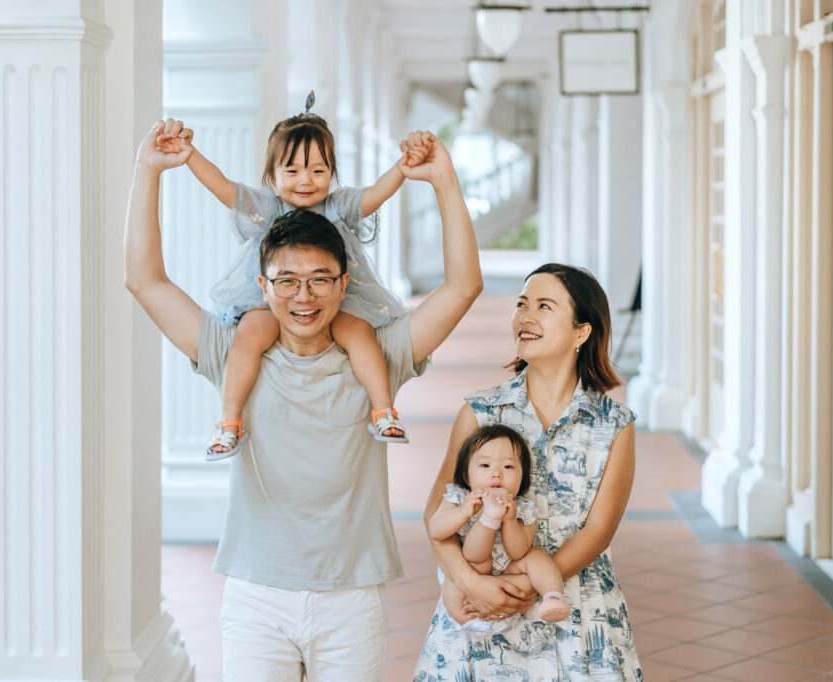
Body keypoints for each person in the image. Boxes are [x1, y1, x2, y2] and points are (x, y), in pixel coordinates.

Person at [124, 119, 481, 681]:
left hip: (353, 596)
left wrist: (444, 182)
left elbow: (462, 287)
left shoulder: (379, 356)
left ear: (345, 284)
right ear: (263, 287)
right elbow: (146, 281)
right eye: (286, 281)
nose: (303, 296)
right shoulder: (233, 351)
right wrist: (148, 171)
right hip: (255, 596)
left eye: (320, 279)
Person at [414, 264, 642, 681]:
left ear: (581, 332)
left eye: (544, 306)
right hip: (478, 614)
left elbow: (598, 532)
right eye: (521, 304)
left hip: (575, 615)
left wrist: (529, 586)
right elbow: (437, 515)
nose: (525, 316)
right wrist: (472, 584)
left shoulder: (614, 424)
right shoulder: (481, 411)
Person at [170, 93, 428, 458]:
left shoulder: (338, 206)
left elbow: (375, 195)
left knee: (360, 333)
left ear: (331, 173)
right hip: (270, 298)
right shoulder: (267, 206)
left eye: (318, 171)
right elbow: (223, 187)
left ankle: (383, 410)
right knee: (248, 334)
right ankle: (229, 422)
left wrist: (403, 166)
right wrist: (189, 155)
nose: (305, 180)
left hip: (338, 297)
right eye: (292, 171)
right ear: (272, 176)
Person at [428, 423, 571, 631]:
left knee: (537, 556)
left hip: (508, 571)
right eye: (485, 466)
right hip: (470, 577)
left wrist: (510, 521)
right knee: (477, 558)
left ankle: (553, 597)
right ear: (467, 475)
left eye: (508, 467)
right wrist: (464, 512)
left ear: (522, 478)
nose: (497, 474)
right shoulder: (458, 498)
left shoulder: (523, 509)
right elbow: (436, 531)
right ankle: (488, 520)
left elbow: (518, 551)